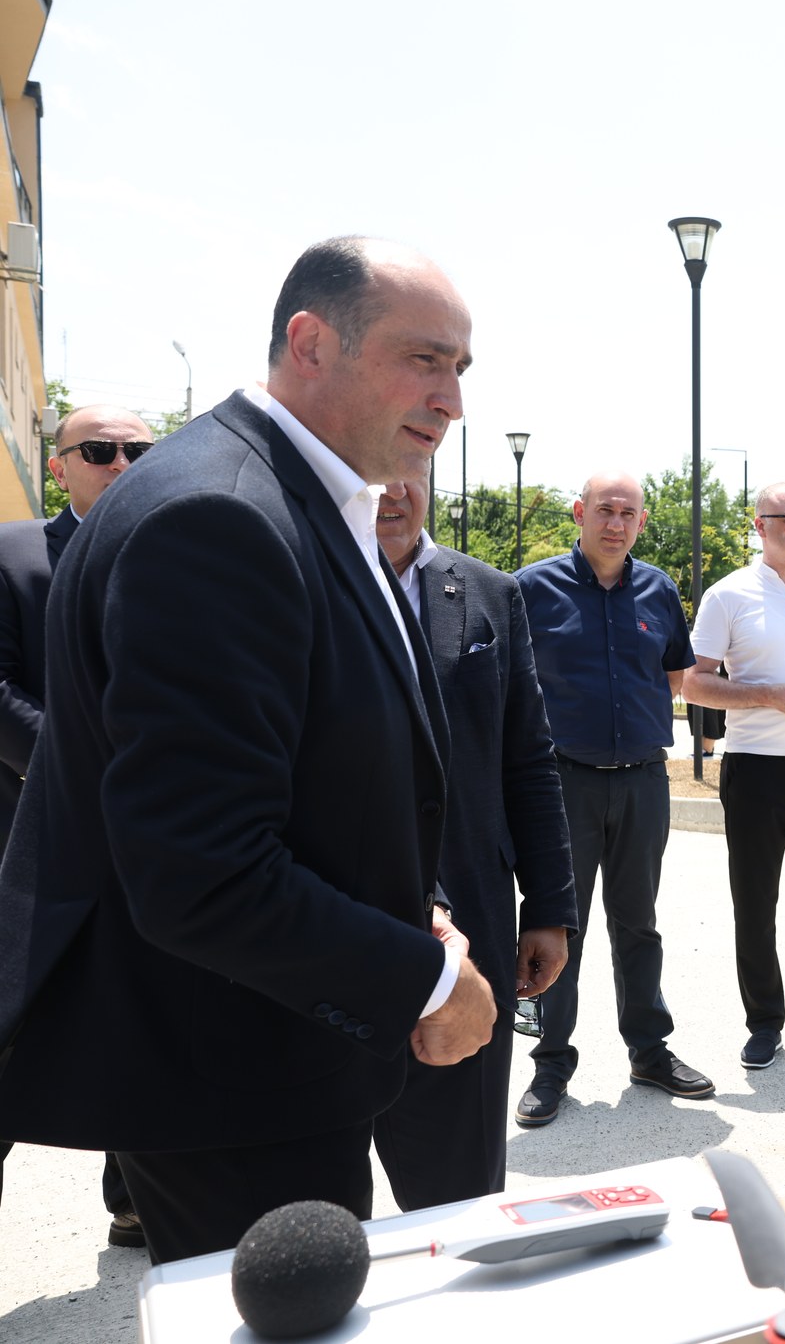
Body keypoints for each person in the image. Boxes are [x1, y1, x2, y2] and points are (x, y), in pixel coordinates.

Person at [0, 236, 497, 1264]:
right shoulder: (219, 515)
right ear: (310, 343)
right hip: (230, 1081)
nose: (451, 399)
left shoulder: (294, 498)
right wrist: (427, 980)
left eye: (460, 367)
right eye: (423, 358)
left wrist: (420, 909)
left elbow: (316, 771)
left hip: (263, 1055)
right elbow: (202, 871)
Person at [370, 479, 576, 1208]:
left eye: (411, 466)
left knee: (461, 1203)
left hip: (473, 929)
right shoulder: (293, 574)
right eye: (375, 467)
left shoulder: (490, 592)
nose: (392, 489)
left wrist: (548, 907)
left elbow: (528, 760)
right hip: (332, 925)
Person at [0, 404, 153, 1247]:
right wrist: (84, 768)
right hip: (33, 842)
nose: (121, 462)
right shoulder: (13, 553)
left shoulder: (177, 556)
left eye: (138, 449)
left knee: (140, 1020)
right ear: (58, 465)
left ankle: (136, 1199)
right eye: (99, 450)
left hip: (144, 849)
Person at [516, 470, 709, 1125]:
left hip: (643, 781)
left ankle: (649, 1051)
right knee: (558, 922)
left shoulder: (659, 589)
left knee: (638, 923)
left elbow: (675, 677)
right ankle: (550, 1063)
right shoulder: (531, 588)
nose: (616, 522)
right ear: (580, 512)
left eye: (628, 513)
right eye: (605, 509)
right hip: (562, 781)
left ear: (642, 523)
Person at [683, 481, 785, 1072]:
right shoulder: (728, 595)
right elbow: (693, 682)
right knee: (755, 907)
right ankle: (765, 1024)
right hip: (756, 773)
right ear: (760, 525)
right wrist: (767, 695)